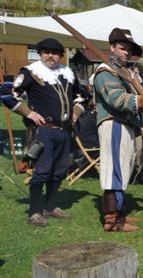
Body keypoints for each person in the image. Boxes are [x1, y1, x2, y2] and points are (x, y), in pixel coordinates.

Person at [4, 38, 83, 227]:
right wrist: (28, 112)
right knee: (42, 171)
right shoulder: (31, 72)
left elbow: (82, 97)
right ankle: (34, 212)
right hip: (43, 132)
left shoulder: (68, 73)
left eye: (55, 53)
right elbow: (7, 93)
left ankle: (50, 206)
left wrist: (76, 113)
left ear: (60, 56)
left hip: (64, 132)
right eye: (46, 52)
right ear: (40, 54)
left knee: (59, 171)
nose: (50, 56)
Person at [92, 28, 143, 232]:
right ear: (111, 48)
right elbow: (116, 99)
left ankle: (119, 214)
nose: (126, 53)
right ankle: (111, 220)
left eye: (128, 50)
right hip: (113, 124)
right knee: (113, 172)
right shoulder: (104, 73)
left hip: (126, 125)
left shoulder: (124, 74)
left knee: (122, 170)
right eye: (122, 48)